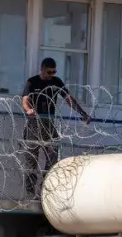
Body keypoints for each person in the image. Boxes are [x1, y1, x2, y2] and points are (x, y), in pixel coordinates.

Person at [19, 58, 89, 197]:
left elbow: (69, 99)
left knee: (53, 154)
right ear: (42, 69)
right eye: (49, 72)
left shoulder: (56, 82)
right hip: (34, 124)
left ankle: (44, 186)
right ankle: (30, 192)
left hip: (49, 124)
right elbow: (25, 101)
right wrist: (28, 110)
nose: (51, 74)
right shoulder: (32, 82)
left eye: (54, 72)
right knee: (31, 159)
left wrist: (82, 113)